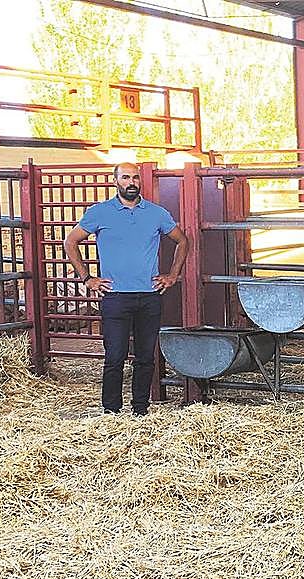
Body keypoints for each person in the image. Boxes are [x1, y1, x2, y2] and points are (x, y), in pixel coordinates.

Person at [64, 162, 189, 415]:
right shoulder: (99, 212)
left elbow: (182, 240)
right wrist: (88, 278)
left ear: (139, 181)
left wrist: (173, 275)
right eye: (125, 178)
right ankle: (111, 411)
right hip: (115, 297)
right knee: (115, 357)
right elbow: (71, 241)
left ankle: (140, 409)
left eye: (134, 178)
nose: (131, 182)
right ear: (115, 181)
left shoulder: (157, 213)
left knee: (145, 357)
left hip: (150, 295)